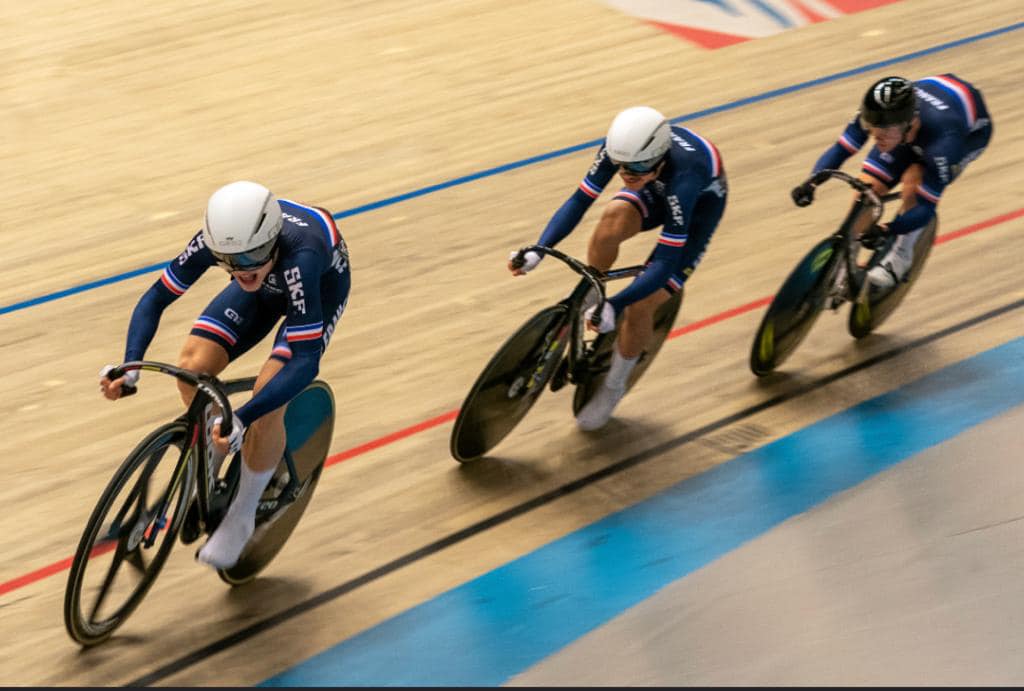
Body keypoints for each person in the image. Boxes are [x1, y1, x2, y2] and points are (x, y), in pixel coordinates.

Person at [99, 180, 351, 569]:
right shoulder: (221, 244)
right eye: (229, 259)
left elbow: (305, 361)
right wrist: (130, 365)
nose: (240, 269)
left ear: (270, 240)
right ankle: (212, 456)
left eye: (251, 256)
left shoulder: (301, 255)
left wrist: (243, 418)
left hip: (318, 287)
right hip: (266, 291)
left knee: (270, 394)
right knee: (191, 369)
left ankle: (242, 516)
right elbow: (156, 298)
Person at [509, 106, 727, 431]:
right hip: (655, 189)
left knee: (642, 305)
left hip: (696, 211)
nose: (626, 173)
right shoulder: (626, 152)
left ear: (658, 156)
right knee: (610, 220)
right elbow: (578, 201)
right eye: (620, 165)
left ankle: (613, 387)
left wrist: (618, 304)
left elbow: (665, 262)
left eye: (636, 166)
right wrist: (540, 249)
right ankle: (590, 293)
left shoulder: (685, 176)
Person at [791, 74, 992, 288]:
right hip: (926, 110)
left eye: (884, 131)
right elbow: (841, 149)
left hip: (969, 135)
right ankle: (846, 260)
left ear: (908, 124)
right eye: (872, 127)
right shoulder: (877, 114)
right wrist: (812, 182)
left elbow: (926, 208)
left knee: (915, 178)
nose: (876, 135)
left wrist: (888, 229)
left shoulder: (945, 144)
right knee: (866, 188)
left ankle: (899, 258)